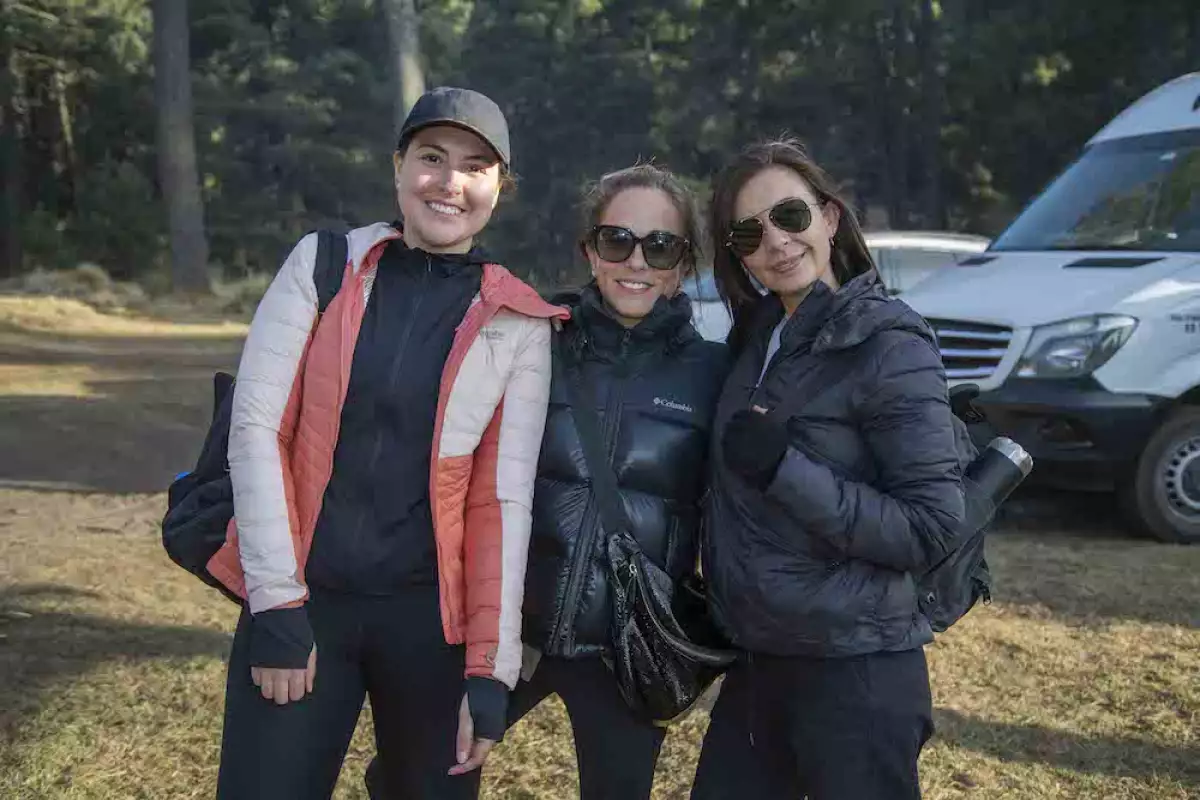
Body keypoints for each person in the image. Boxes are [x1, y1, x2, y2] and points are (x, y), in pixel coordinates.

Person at [206, 86, 568, 800]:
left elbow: (504, 503)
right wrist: (277, 607)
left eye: (475, 166)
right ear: (399, 166)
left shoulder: (518, 320)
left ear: (501, 187)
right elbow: (256, 430)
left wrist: (489, 674)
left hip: (429, 626)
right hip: (304, 605)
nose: (450, 183)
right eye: (432, 158)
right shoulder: (322, 265)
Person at [365, 164, 728, 799]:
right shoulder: (533, 336)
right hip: (510, 631)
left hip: (625, 644)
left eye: (660, 246)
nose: (636, 262)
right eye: (617, 241)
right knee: (415, 779)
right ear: (590, 250)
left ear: (683, 263)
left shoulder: (714, 373)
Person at [689, 138, 966, 800]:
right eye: (750, 233)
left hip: (856, 670)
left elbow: (931, 528)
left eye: (790, 216)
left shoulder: (888, 344)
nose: (776, 243)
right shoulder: (758, 339)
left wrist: (785, 469)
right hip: (759, 663)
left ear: (830, 217)